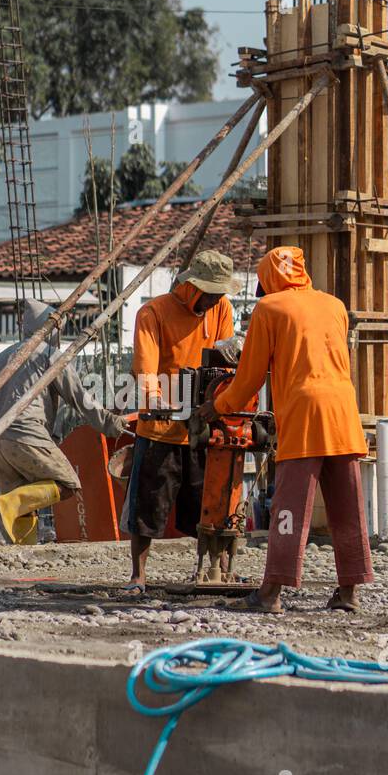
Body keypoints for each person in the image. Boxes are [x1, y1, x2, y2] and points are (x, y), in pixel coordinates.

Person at [200, 244, 372, 613]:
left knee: (289, 508)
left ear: (269, 281)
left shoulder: (268, 308)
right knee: (348, 507)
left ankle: (270, 593)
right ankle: (349, 593)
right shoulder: (334, 305)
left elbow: (248, 379)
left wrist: (215, 407)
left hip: (305, 414)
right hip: (343, 410)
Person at [126, 248, 239, 592]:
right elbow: (145, 368)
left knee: (211, 505)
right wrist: (155, 399)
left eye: (219, 293)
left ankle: (216, 572)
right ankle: (138, 576)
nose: (215, 299)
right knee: (148, 505)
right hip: (162, 427)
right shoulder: (154, 312)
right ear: (191, 286)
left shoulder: (221, 308)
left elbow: (226, 359)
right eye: (210, 292)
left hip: (204, 426)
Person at [0, 297, 126, 544]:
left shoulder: (1, 358)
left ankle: (22, 559)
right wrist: (109, 423)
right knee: (68, 484)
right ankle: (9, 503)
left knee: (24, 508)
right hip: (28, 435)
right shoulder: (51, 356)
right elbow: (79, 399)